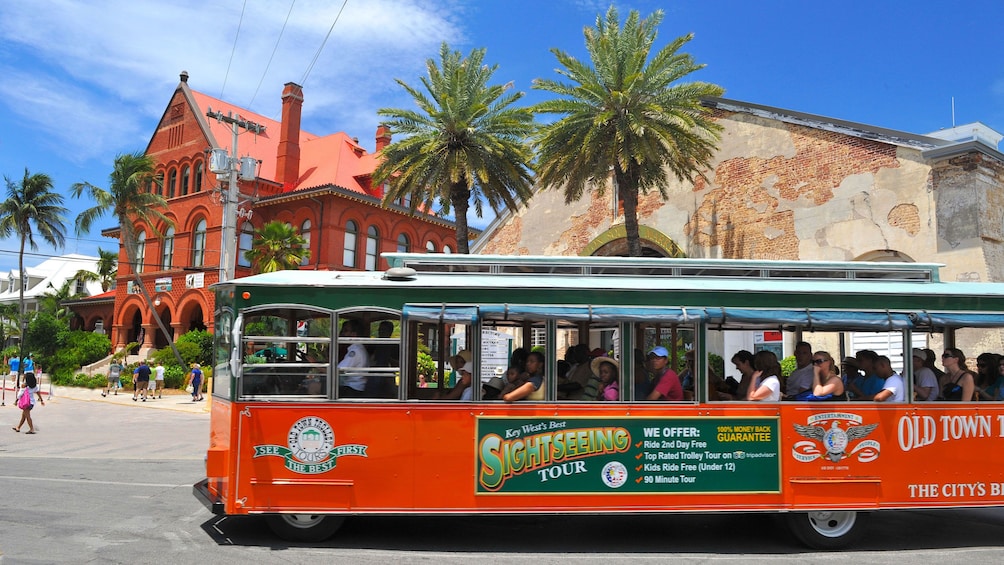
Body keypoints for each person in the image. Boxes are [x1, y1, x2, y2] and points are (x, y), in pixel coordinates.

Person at [337, 319, 369, 397]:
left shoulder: (355, 351)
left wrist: (315, 364)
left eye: (346, 331)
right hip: (353, 387)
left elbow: (338, 370)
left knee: (314, 387)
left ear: (354, 334)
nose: (343, 334)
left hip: (352, 389)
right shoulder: (357, 348)